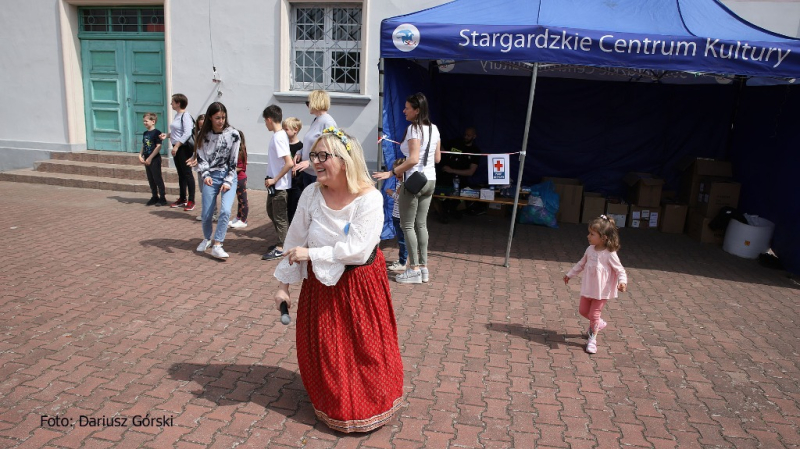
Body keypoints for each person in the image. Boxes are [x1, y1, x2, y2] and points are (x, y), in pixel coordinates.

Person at [273, 128, 403, 433]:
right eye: (313, 155)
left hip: (359, 284)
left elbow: (357, 250)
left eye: (322, 156)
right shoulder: (310, 194)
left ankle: (372, 405)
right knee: (327, 349)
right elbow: (294, 240)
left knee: (364, 349)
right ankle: (335, 405)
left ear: (344, 161)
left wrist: (311, 254)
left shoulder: (369, 199)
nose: (314, 161)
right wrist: (283, 286)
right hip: (320, 285)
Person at [373, 92, 441, 284]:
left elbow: (412, 159)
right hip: (430, 180)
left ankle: (414, 269)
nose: (404, 111)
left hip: (413, 182)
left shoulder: (414, 129)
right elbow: (437, 159)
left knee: (407, 225)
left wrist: (391, 172)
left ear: (417, 110)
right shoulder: (434, 129)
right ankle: (423, 268)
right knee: (421, 224)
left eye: (407, 108)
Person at [563, 215, 628, 354]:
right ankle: (599, 323)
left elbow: (620, 269)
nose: (588, 236)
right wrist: (570, 274)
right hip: (588, 288)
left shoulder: (610, 253)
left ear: (603, 237)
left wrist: (622, 282)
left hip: (601, 291)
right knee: (582, 311)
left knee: (594, 315)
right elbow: (581, 263)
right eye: (589, 233)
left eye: (592, 234)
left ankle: (592, 339)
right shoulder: (589, 250)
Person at [194, 102, 240, 260]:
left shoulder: (233, 134)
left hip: (229, 175)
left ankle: (218, 244)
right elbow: (201, 157)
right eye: (217, 118)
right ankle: (207, 238)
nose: (221, 121)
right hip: (211, 176)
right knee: (206, 214)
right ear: (210, 118)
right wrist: (205, 174)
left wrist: (228, 180)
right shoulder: (203, 134)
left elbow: (234, 160)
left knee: (226, 210)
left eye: (223, 117)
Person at [261, 105, 294, 261]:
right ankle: (283, 241)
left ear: (269, 119)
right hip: (275, 185)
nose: (265, 125)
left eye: (265, 122)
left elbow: (289, 163)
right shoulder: (278, 136)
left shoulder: (279, 137)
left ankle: (283, 246)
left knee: (279, 216)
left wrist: (275, 179)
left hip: (279, 185)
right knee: (271, 211)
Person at [294, 90, 337, 194]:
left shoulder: (327, 122)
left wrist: (309, 162)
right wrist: (300, 152)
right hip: (309, 171)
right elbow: (311, 143)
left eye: (308, 102)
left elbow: (330, 149)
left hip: (317, 173)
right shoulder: (317, 120)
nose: (307, 105)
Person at [436, 127, 480, 222]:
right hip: (446, 176)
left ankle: (451, 209)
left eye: (469, 135)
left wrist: (452, 170)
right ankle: (443, 212)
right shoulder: (455, 142)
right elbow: (442, 148)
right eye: (465, 134)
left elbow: (471, 172)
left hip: (461, 178)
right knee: (441, 192)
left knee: (464, 193)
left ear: (474, 136)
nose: (466, 137)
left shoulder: (475, 151)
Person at [160, 93, 196, 211]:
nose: (171, 104)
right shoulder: (177, 115)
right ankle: (182, 198)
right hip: (177, 146)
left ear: (178, 103)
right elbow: (177, 132)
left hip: (183, 148)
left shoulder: (185, 116)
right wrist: (167, 135)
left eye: (173, 102)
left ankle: (191, 200)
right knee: (181, 174)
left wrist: (177, 146)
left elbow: (187, 133)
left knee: (187, 173)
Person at [139, 112, 167, 206]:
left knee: (157, 177)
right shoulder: (145, 133)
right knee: (150, 178)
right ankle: (154, 196)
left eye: (146, 121)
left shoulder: (157, 133)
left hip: (154, 158)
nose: (144, 123)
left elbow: (158, 146)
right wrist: (140, 155)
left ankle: (162, 197)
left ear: (153, 121)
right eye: (143, 121)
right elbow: (144, 145)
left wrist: (150, 158)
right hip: (147, 158)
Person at [385, 158, 407, 272]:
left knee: (403, 240)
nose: (397, 176)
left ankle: (403, 262)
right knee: (401, 239)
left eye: (400, 173)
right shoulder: (400, 182)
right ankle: (402, 259)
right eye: (396, 173)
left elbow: (402, 200)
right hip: (397, 215)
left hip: (401, 216)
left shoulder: (404, 184)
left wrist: (391, 193)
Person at [283, 117, 303, 223]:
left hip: (296, 184)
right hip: (284, 182)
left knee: (293, 208)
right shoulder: (283, 144)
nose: (284, 132)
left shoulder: (301, 147)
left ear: (295, 129)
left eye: (286, 129)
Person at [229, 130, 249, 229]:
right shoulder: (236, 149)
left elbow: (240, 167)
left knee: (243, 200)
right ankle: (238, 217)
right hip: (236, 178)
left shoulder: (240, 150)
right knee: (239, 199)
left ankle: (243, 220)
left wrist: (229, 171)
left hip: (240, 178)